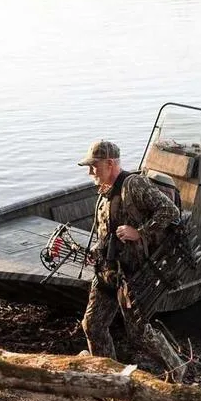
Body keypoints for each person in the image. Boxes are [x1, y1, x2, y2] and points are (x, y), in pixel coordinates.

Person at [78, 140, 186, 379]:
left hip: (131, 276)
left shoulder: (133, 184)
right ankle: (108, 376)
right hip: (106, 271)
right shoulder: (104, 192)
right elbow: (108, 232)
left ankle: (177, 368)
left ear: (110, 163)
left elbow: (170, 211)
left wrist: (141, 232)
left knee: (138, 333)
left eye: (93, 166)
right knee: (93, 326)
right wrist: (97, 250)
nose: (90, 172)